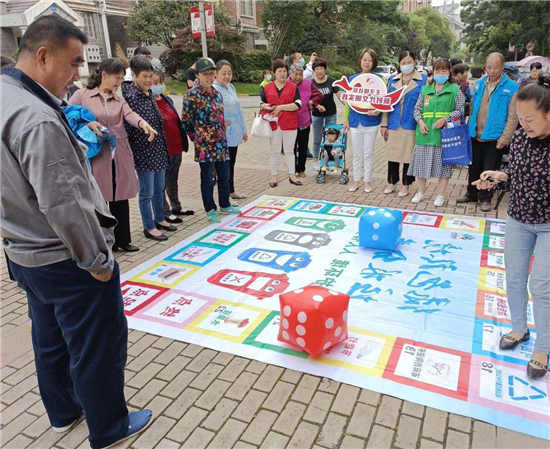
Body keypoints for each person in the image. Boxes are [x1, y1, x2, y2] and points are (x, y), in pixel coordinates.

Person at [0, 16, 153, 448]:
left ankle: (63, 412)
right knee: (95, 344)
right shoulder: (37, 118)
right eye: (72, 64)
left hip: (23, 252)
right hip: (65, 257)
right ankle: (109, 426)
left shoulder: (6, 96)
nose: (76, 76)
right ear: (42, 55)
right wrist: (97, 261)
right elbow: (65, 202)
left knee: (49, 339)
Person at [472, 73, 550, 379]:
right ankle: (520, 329)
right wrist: (496, 177)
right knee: (514, 278)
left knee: (541, 286)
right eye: (520, 119)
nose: (524, 125)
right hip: (518, 218)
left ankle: (542, 348)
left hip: (548, 225)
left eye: (529, 119)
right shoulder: (520, 138)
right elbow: (515, 175)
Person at [69, 58, 157, 252]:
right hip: (96, 153)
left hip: (119, 152)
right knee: (99, 197)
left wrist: (143, 124)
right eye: (117, 78)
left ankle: (122, 240)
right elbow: (68, 115)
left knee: (120, 195)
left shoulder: (119, 99)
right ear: (104, 75)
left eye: (121, 78)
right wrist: (88, 124)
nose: (120, 82)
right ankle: (102, 242)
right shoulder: (82, 96)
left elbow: (130, 115)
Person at [457, 53, 519, 212]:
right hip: (475, 133)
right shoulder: (479, 84)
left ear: (502, 67)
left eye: (495, 67)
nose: (492, 70)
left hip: (495, 137)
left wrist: (505, 138)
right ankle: (472, 193)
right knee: (474, 167)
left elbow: (513, 117)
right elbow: (473, 107)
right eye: (489, 67)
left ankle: (486, 197)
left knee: (490, 168)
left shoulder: (512, 88)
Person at [181, 58, 241, 223]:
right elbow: (186, 121)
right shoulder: (192, 95)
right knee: (208, 178)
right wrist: (197, 137)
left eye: (211, 74)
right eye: (205, 74)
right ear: (197, 75)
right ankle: (210, 209)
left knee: (224, 175)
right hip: (205, 145)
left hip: (221, 142)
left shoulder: (217, 94)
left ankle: (225, 204)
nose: (209, 77)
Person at [123, 56, 174, 241]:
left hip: (158, 149)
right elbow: (129, 125)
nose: (148, 80)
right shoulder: (130, 97)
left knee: (159, 188)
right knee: (147, 192)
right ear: (134, 75)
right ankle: (149, 226)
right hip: (143, 151)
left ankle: (160, 218)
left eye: (150, 76)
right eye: (144, 76)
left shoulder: (149, 93)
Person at [407, 58, 465, 206]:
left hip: (444, 136)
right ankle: (420, 192)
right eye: (437, 70)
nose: (440, 73)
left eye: (444, 70)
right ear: (433, 71)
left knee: (443, 168)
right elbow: (417, 109)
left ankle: (440, 195)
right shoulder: (425, 89)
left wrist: (445, 119)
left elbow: (460, 110)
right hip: (425, 135)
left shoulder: (455, 90)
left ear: (449, 71)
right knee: (421, 166)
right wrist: (420, 122)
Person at [381, 51, 427, 198]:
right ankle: (391, 182)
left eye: (409, 62)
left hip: (411, 123)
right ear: (399, 64)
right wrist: (384, 124)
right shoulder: (392, 80)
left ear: (415, 62)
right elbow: (386, 103)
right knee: (393, 154)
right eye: (404, 63)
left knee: (408, 156)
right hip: (394, 123)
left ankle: (406, 184)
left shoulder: (423, 80)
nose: (406, 65)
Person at [150, 71, 194, 224]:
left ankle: (176, 206)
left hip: (176, 147)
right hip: (162, 149)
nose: (158, 86)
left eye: (160, 82)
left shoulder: (166, 99)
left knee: (173, 180)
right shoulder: (149, 103)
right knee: (161, 183)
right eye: (154, 83)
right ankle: (165, 212)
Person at [343, 48, 382, 193]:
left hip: (371, 122)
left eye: (370, 60)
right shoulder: (352, 79)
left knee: (368, 153)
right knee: (356, 153)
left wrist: (377, 111)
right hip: (355, 121)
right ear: (360, 61)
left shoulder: (379, 80)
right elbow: (348, 101)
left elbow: (383, 100)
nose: (367, 62)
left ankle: (367, 181)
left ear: (374, 62)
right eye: (364, 59)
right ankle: (356, 180)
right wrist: (345, 119)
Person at [260, 59, 302, 188]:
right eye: (279, 71)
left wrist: (281, 107)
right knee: (274, 151)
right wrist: (265, 106)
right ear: (274, 73)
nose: (282, 74)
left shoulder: (293, 87)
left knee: (290, 150)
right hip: (274, 123)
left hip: (290, 123)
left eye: (284, 71)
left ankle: (292, 175)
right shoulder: (266, 87)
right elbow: (262, 103)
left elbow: (297, 104)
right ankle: (274, 175)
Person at [213, 60, 248, 201]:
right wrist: (220, 121)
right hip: (222, 134)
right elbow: (210, 112)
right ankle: (224, 196)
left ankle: (231, 190)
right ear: (216, 74)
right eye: (224, 73)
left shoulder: (231, 87)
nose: (227, 76)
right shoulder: (213, 89)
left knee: (231, 163)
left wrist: (244, 130)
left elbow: (239, 110)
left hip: (234, 133)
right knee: (223, 167)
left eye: (229, 73)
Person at [289, 63, 323, 177]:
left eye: (301, 74)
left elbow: (319, 95)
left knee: (303, 146)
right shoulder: (286, 83)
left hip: (304, 121)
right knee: (291, 148)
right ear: (290, 73)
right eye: (296, 74)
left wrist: (312, 102)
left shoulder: (308, 83)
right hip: (289, 122)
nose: (298, 77)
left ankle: (301, 169)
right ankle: (292, 169)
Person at [311, 57, 341, 159]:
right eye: (317, 69)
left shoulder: (331, 81)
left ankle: (330, 159)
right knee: (317, 139)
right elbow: (309, 99)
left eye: (321, 68)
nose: (319, 71)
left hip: (331, 114)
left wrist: (347, 105)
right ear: (314, 71)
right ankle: (315, 160)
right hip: (316, 115)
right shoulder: (311, 83)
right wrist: (317, 106)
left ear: (325, 69)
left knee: (331, 138)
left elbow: (339, 94)